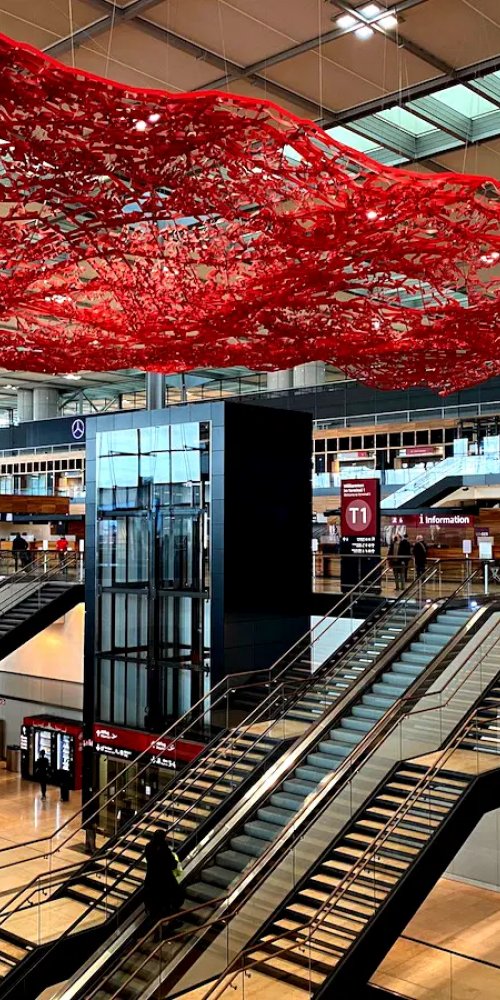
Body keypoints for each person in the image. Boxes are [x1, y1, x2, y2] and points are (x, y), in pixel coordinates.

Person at [144, 829, 184, 935]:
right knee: (173, 898)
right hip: (164, 880)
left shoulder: (149, 846)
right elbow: (171, 863)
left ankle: (157, 929)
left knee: (156, 906)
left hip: (151, 879)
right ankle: (171, 922)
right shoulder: (163, 848)